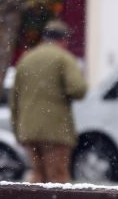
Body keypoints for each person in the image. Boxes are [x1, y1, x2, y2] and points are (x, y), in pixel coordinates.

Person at [10, 19, 88, 183]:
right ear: (63, 39)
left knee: (38, 175)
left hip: (28, 130)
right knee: (57, 178)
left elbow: (14, 98)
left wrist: (17, 130)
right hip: (55, 131)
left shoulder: (26, 59)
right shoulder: (63, 58)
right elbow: (78, 89)